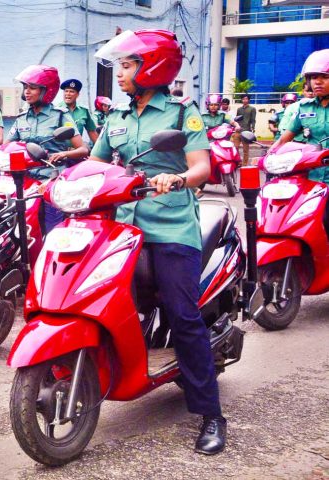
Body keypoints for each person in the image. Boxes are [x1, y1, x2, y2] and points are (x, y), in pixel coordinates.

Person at [91, 28, 225, 455]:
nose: (121, 74)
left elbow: (201, 166)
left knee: (183, 315)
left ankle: (210, 414)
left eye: (128, 66)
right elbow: (96, 163)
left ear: (154, 68)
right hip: (121, 228)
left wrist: (178, 178)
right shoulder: (116, 115)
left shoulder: (182, 112)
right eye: (121, 66)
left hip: (169, 228)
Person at [6, 65, 89, 232]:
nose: (27, 92)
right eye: (25, 87)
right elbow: (7, 146)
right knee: (20, 224)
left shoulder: (60, 115)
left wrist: (64, 153)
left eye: (32, 87)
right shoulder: (22, 118)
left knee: (52, 226)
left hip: (51, 179)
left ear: (46, 91)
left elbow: (83, 150)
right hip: (25, 180)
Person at [272, 49, 329, 183]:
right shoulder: (303, 108)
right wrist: (268, 157)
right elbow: (283, 140)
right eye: (314, 77)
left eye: (325, 77)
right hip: (311, 178)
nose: (318, 82)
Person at [59, 78, 99, 144]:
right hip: (60, 151)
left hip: (78, 151)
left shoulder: (84, 111)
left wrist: (101, 150)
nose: (68, 94)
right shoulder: (57, 110)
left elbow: (92, 132)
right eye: (66, 91)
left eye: (71, 91)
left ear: (77, 94)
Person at [235, 94, 256, 165]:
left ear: (249, 100)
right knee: (235, 147)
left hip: (246, 131)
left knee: (245, 149)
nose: (245, 100)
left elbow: (253, 120)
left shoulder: (252, 109)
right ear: (241, 100)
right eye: (243, 99)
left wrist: (253, 128)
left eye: (246, 99)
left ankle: (244, 163)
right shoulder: (239, 109)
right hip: (238, 130)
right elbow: (236, 119)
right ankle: (238, 162)